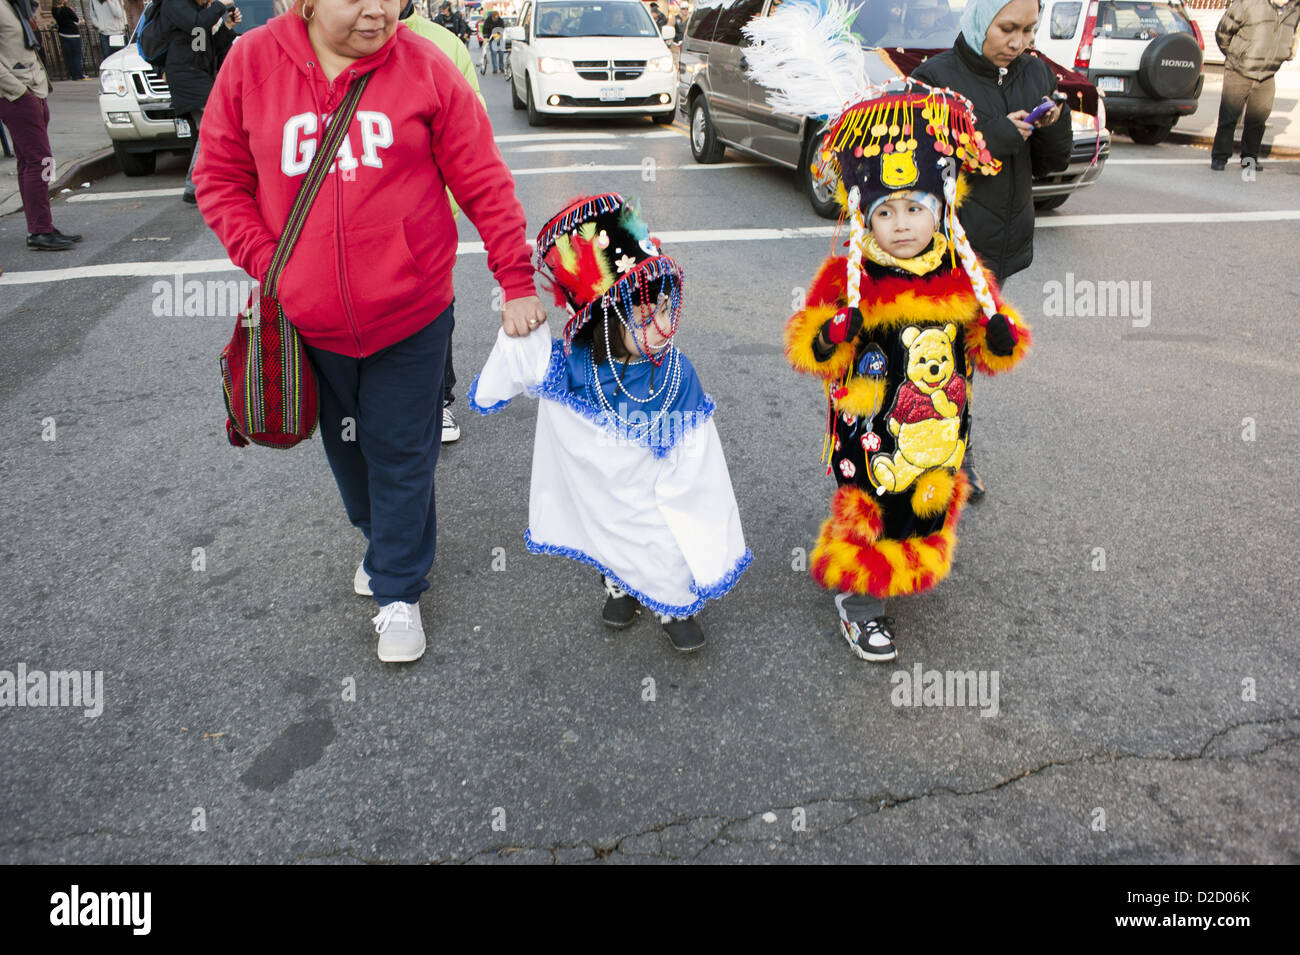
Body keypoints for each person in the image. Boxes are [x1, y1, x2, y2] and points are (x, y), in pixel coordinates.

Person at [195, 0, 545, 664]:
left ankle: (398, 591)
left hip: (411, 316)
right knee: (347, 452)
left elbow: (483, 180)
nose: (379, 10)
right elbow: (218, 179)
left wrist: (515, 279)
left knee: (402, 453)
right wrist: (275, 267)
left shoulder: (426, 69)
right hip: (311, 324)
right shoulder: (251, 62)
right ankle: (381, 541)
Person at [746, 4, 1031, 660]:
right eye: (887, 211)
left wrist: (997, 336)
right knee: (870, 502)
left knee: (923, 503)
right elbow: (813, 344)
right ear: (864, 216)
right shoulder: (852, 273)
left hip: (937, 425)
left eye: (916, 209)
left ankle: (906, 560)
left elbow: (986, 347)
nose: (902, 225)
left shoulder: (960, 267)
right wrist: (832, 333)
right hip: (871, 426)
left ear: (940, 209)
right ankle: (861, 597)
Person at [468, 194, 751, 652]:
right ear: (602, 320)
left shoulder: (676, 373)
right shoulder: (572, 367)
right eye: (642, 317)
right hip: (600, 497)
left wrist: (694, 506)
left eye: (663, 310)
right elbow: (526, 360)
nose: (661, 325)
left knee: (664, 542)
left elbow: (698, 456)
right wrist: (521, 318)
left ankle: (672, 603)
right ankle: (618, 582)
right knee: (606, 532)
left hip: (656, 496)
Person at [909, 0, 1068, 499]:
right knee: (942, 354)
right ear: (980, 20)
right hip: (947, 249)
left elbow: (1052, 163)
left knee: (962, 356)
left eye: (1029, 30)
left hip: (1003, 246)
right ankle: (947, 457)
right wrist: (993, 137)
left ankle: (944, 450)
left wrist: (1052, 124)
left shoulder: (1034, 72)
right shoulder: (934, 78)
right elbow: (914, 168)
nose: (1019, 42)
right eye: (1008, 28)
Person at [400, 0, 485, 441]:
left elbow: (474, 137)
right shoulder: (317, 42)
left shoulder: (444, 44)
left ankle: (440, 402)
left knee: (434, 311)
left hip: (427, 225)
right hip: (349, 231)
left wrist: (445, 204)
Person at [1, 0, 83, 250]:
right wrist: (19, 92)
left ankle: (40, 225)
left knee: (30, 161)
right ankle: (40, 230)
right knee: (41, 161)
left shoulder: (16, 6)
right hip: (18, 94)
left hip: (34, 89)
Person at [163, 0, 239, 205]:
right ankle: (196, 185)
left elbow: (205, 49)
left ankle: (197, 186)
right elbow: (196, 24)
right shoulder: (175, 5)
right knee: (215, 122)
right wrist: (219, 6)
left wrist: (227, 27)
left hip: (198, 74)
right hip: (184, 75)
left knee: (207, 130)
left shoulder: (199, 12)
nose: (210, 1)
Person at [1211, 0, 1300, 171]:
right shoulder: (1249, 3)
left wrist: (1287, 53)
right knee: (1229, 117)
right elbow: (1223, 32)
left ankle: (1249, 159)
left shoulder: (1295, 9)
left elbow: (1294, 33)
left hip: (1267, 73)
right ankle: (1220, 157)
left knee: (1258, 120)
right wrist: (1235, 56)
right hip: (1238, 69)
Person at [52, 0, 85, 80]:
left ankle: (73, 75)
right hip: (73, 34)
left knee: (69, 56)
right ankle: (79, 75)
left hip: (63, 34)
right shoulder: (67, 9)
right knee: (76, 55)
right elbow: (77, 20)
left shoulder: (54, 10)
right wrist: (82, 20)